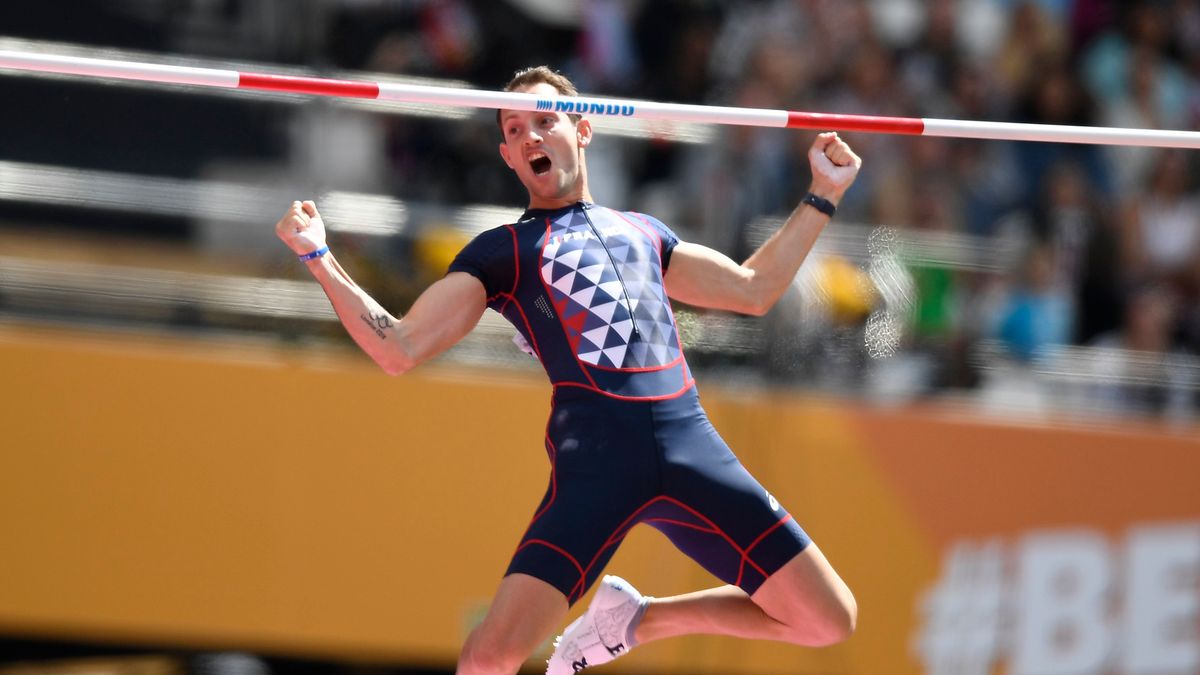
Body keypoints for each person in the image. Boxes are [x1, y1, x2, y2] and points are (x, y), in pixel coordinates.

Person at [275, 66, 861, 675]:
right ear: (506, 154)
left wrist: (823, 192)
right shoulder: (501, 251)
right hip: (599, 459)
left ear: (583, 130)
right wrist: (319, 257)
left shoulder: (644, 232)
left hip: (692, 445)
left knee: (827, 618)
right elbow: (398, 347)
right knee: (490, 657)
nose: (531, 137)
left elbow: (755, 289)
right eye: (515, 129)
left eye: (544, 121)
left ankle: (640, 620)